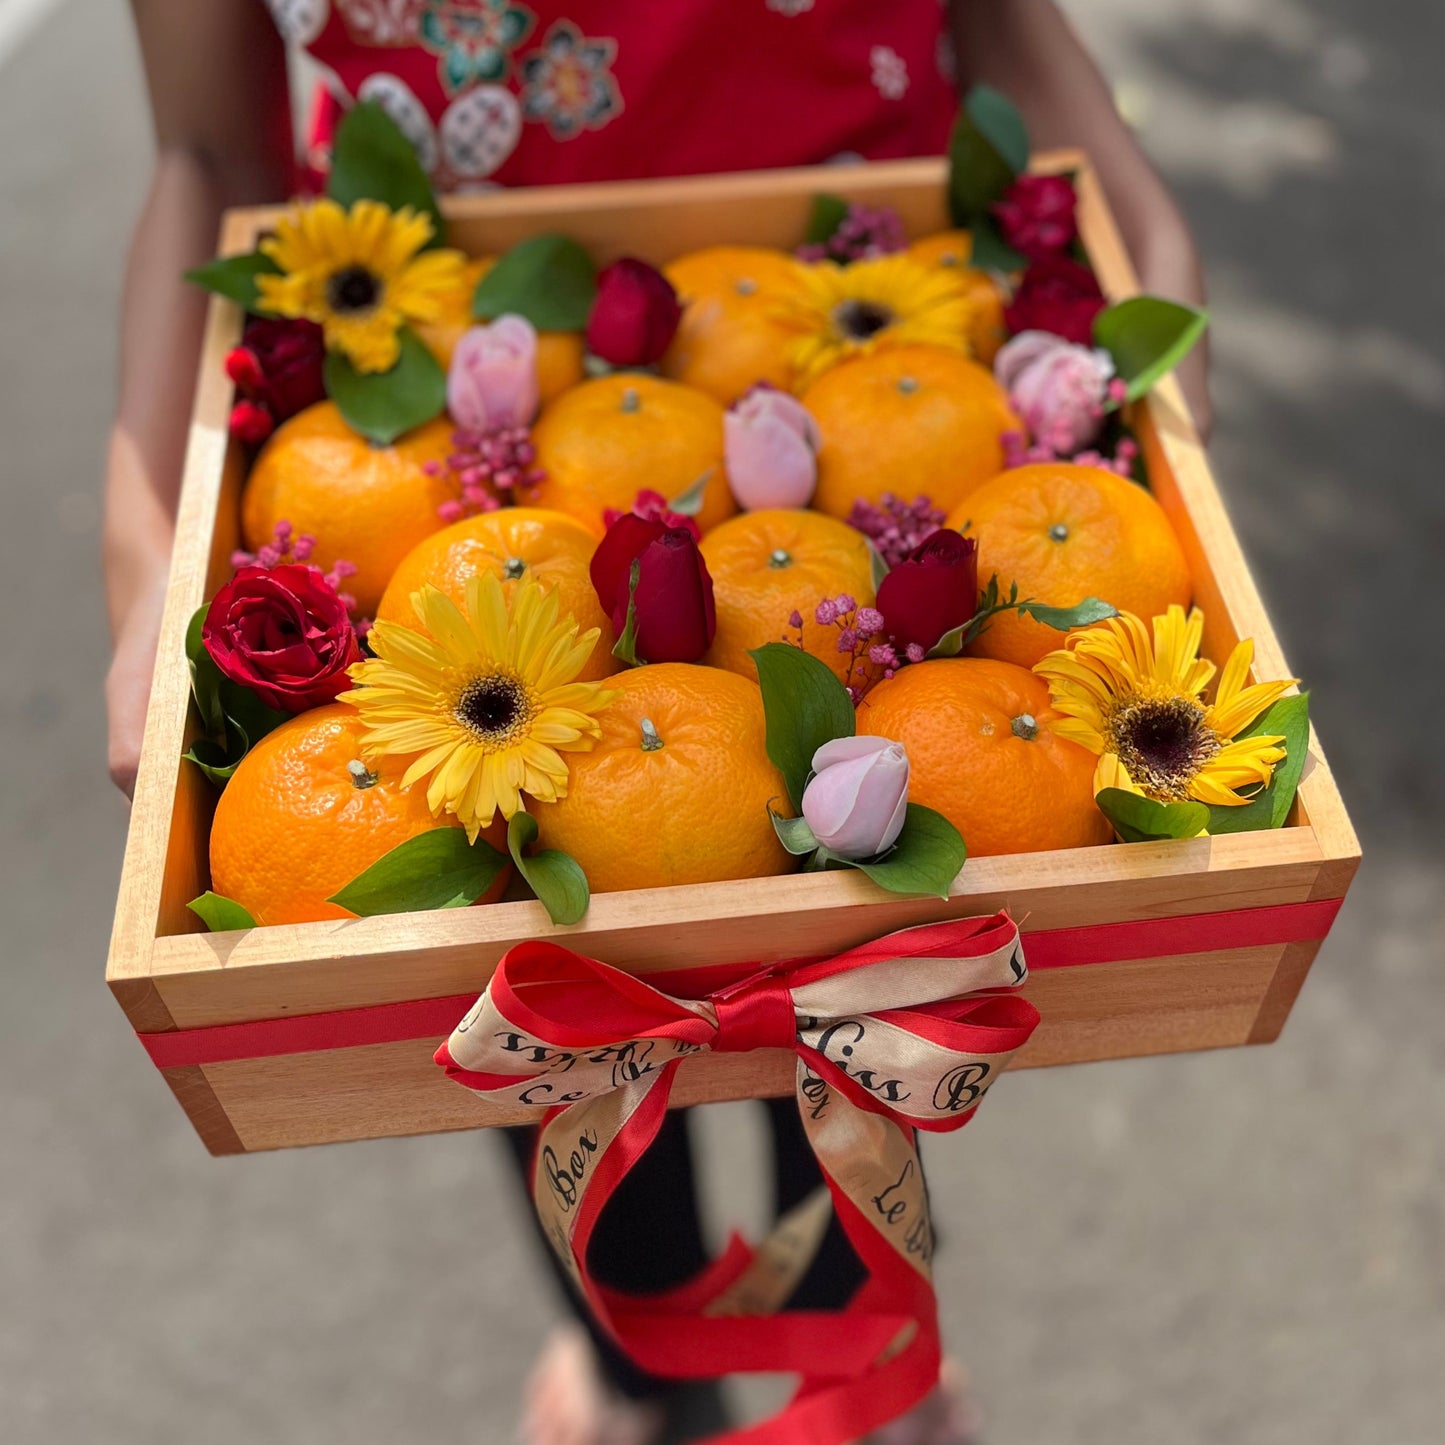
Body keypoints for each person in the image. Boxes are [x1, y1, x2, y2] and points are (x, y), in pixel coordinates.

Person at [108, 5, 1209, 1442]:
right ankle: (641, 1367)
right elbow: (205, 141)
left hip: (873, 316)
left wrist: (1158, 281)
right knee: (548, 1019)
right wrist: (144, 568)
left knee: (860, 1019)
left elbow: (1001, 23)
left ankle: (865, 1346)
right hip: (437, 354)